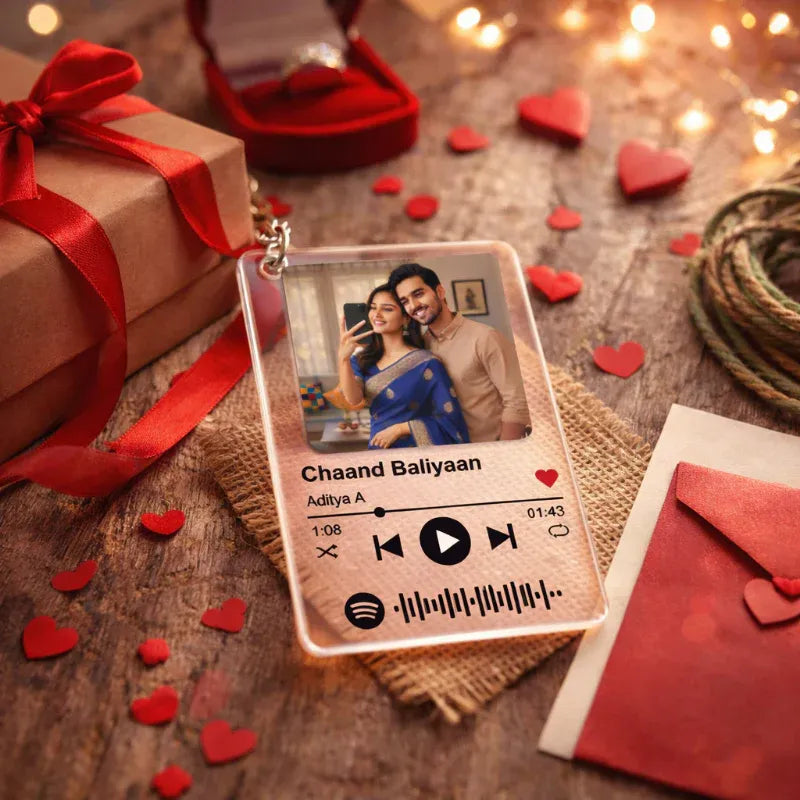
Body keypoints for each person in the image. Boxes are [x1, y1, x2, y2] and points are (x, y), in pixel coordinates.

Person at [388, 263, 530, 442]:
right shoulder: (420, 348)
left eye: (418, 294)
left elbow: (518, 402)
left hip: (490, 451)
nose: (414, 305)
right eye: (405, 302)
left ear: (439, 292)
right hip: (449, 458)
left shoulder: (485, 337)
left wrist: (502, 454)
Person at [338, 284, 470, 449]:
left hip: (418, 457)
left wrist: (402, 428)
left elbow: (450, 418)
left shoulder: (427, 363)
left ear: (406, 318)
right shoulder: (361, 360)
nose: (377, 315)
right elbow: (353, 398)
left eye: (387, 309)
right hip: (379, 452)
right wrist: (343, 359)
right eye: (373, 308)